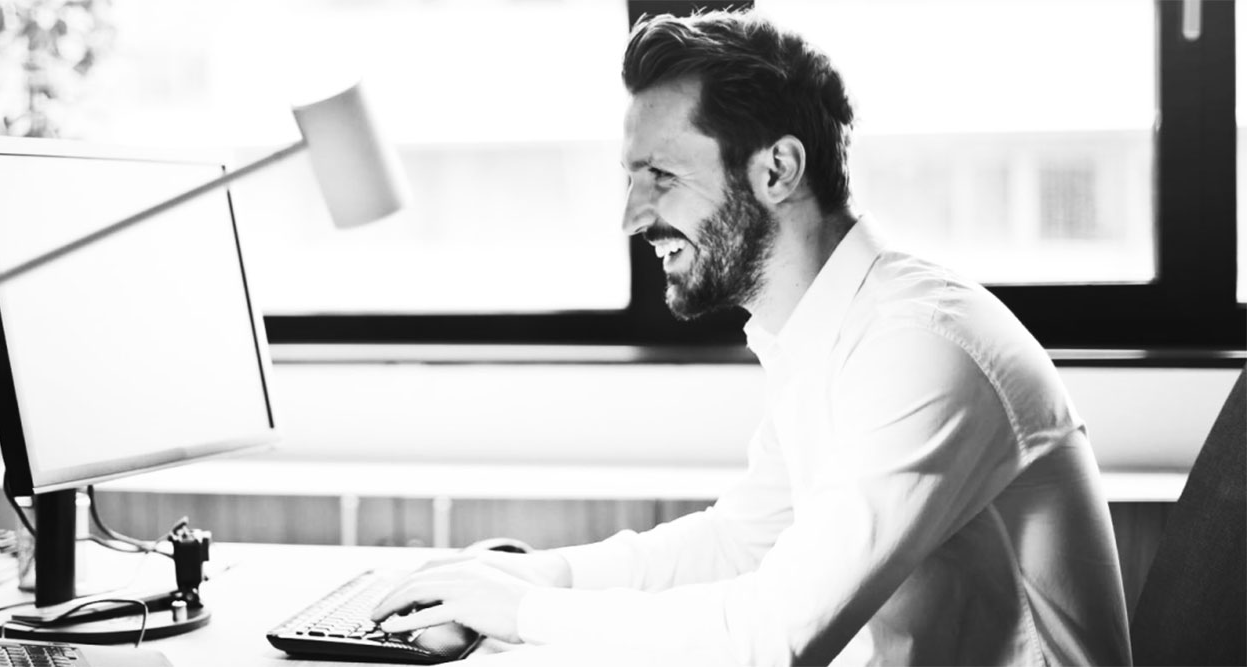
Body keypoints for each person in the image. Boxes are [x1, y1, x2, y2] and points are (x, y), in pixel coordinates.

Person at [371, 8, 1132, 665]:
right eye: (629, 179)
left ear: (778, 170)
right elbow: (740, 543)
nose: (632, 216)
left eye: (661, 176)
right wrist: (537, 579)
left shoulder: (921, 348)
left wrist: (522, 615)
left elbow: (770, 642)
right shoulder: (829, 332)